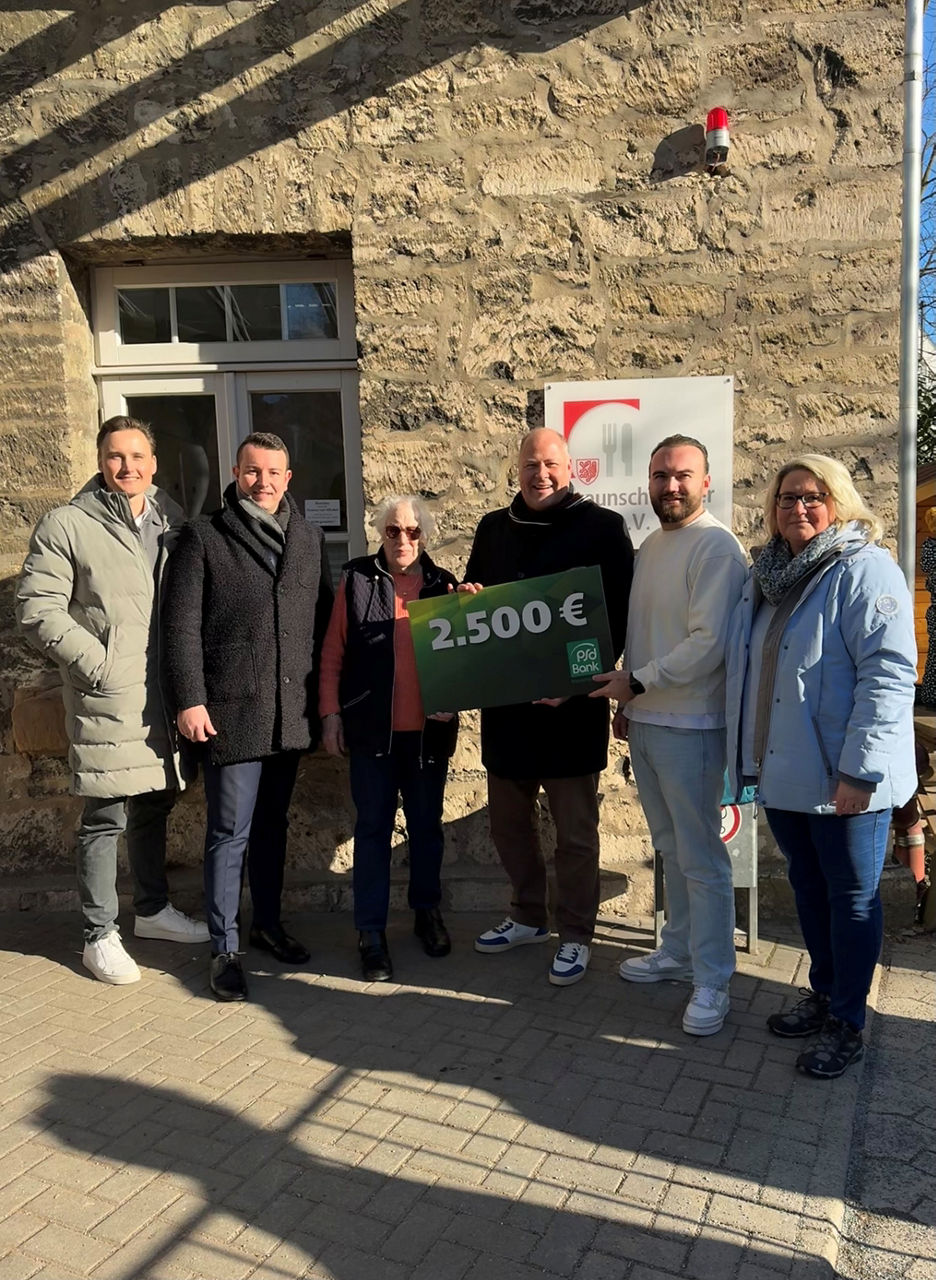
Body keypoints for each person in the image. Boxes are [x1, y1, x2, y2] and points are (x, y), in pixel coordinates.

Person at [724, 454, 916, 1078]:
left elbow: (887, 676)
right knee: (810, 890)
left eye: (812, 497)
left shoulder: (865, 570)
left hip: (846, 777)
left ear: (838, 502)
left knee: (852, 898)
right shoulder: (773, 577)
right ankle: (826, 991)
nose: (797, 508)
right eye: (786, 499)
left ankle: (849, 1020)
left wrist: (859, 773)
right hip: (786, 772)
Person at [16, 416, 209, 985]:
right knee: (105, 815)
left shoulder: (173, 520)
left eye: (138, 456)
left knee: (155, 801)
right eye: (115, 456)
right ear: (101, 461)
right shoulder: (68, 524)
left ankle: (151, 911)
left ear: (153, 462)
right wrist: (96, 663)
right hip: (109, 695)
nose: (127, 466)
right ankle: (98, 935)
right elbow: (37, 608)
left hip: (164, 693)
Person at [163, 431, 333, 1002]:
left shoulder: (308, 539)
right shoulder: (204, 537)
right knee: (228, 833)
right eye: (252, 471)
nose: (263, 482)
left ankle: (266, 925)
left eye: (274, 473)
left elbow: (325, 622)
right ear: (237, 473)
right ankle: (225, 947)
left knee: (271, 827)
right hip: (230, 715)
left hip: (289, 714)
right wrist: (189, 698)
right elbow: (180, 626)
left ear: (289, 479)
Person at [465, 428, 633, 986]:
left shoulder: (604, 528)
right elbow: (481, 606)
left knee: (576, 834)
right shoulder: (493, 528)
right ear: (517, 469)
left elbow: (617, 620)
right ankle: (527, 916)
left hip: (571, 709)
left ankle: (578, 933)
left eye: (551, 464)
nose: (541, 474)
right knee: (509, 826)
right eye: (531, 465)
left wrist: (578, 682)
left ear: (571, 467)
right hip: (508, 707)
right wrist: (469, 602)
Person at [592, 435, 747, 1037]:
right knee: (672, 848)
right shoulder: (653, 545)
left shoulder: (717, 548)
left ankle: (713, 978)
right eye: (660, 476)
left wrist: (639, 681)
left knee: (702, 857)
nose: (670, 486)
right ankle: (677, 951)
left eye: (683, 475)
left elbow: (707, 646)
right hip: (652, 721)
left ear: (706, 482)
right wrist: (632, 700)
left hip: (693, 726)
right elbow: (643, 630)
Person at [319, 496, 458, 981]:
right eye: (394, 531)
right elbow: (333, 652)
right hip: (371, 733)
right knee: (373, 832)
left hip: (427, 736)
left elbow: (464, 658)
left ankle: (426, 912)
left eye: (413, 532)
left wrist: (455, 694)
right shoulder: (357, 579)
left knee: (425, 829)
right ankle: (371, 931)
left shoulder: (444, 586)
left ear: (425, 536)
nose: (403, 540)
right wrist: (330, 714)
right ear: (380, 533)